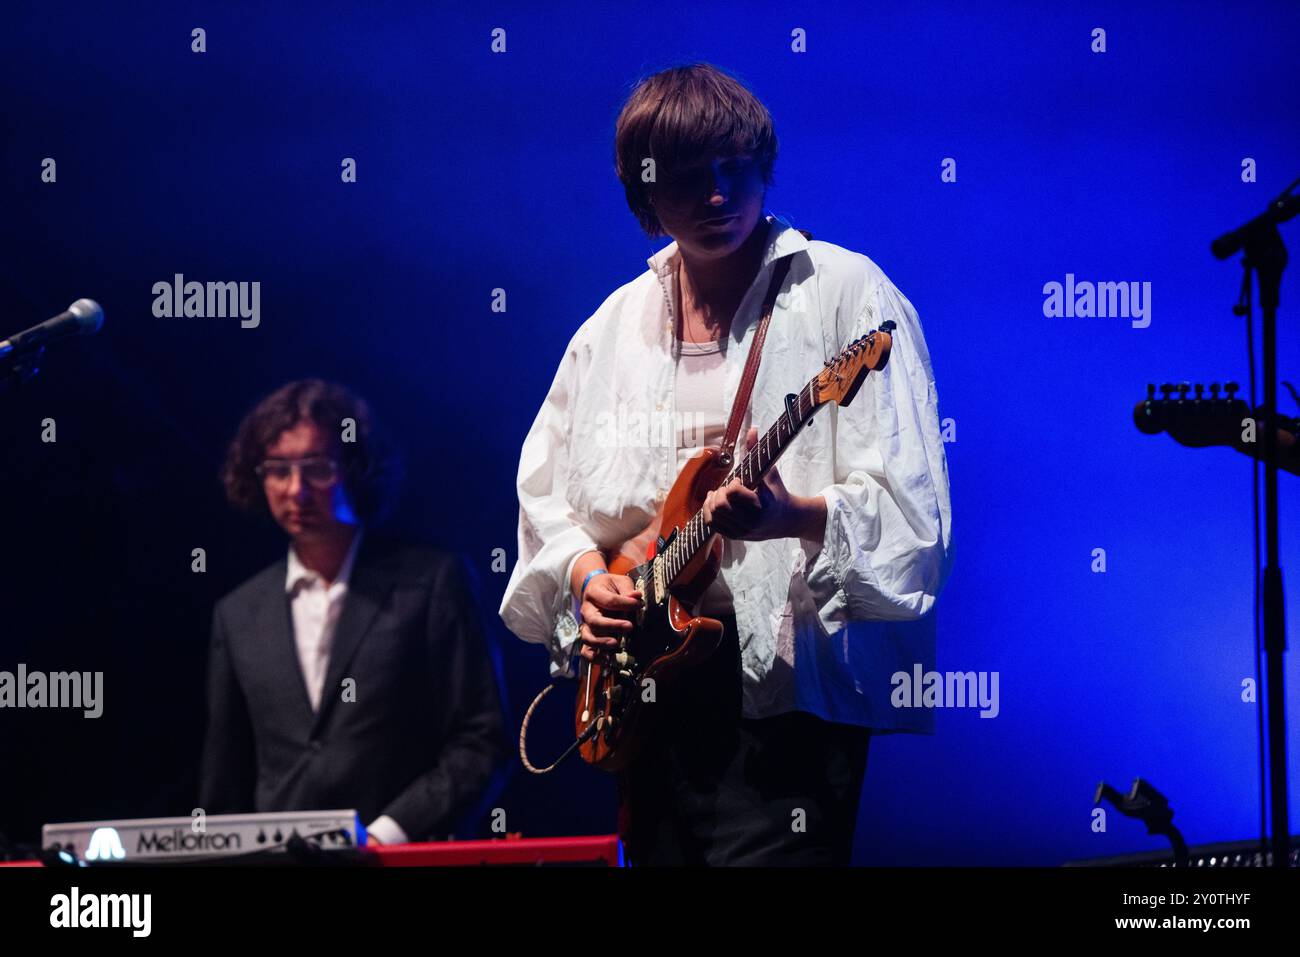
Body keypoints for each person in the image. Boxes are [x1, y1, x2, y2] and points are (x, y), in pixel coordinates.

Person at [500, 63, 952, 865]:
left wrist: (791, 516)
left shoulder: (843, 290)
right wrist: (585, 577)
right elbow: (546, 490)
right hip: (649, 689)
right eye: (686, 177)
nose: (716, 194)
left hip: (784, 696)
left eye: (733, 167)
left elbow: (913, 508)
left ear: (762, 165)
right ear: (646, 192)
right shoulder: (612, 326)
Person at [200, 379, 507, 844]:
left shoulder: (432, 583)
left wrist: (384, 836)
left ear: (356, 468)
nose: (297, 490)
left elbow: (482, 740)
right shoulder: (237, 613)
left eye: (317, 467)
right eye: (278, 470)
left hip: (403, 858)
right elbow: (223, 780)